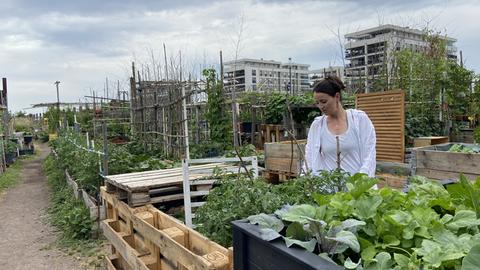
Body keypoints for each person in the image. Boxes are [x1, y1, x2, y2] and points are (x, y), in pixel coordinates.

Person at [305, 76, 376, 177]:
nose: (321, 106)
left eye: (324, 101)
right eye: (317, 103)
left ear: (337, 97)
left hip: (357, 188)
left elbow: (369, 155)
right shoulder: (317, 126)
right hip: (329, 190)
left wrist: (360, 181)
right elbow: (309, 158)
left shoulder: (359, 120)